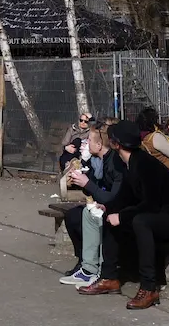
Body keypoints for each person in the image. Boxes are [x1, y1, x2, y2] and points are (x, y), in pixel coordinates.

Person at [77, 122, 169, 310]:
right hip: (160, 214)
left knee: (140, 221)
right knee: (111, 214)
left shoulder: (144, 164)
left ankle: (149, 288)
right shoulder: (127, 162)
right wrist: (110, 208)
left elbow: (150, 204)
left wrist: (123, 217)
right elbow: (126, 197)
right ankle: (109, 278)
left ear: (116, 144)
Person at [60, 122, 124, 288]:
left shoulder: (115, 163)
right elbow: (98, 191)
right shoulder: (100, 160)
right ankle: (86, 266)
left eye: (88, 140)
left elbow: (112, 196)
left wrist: (87, 184)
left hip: (122, 211)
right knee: (76, 215)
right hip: (108, 206)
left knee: (90, 216)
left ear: (99, 144)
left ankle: (93, 269)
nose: (84, 143)